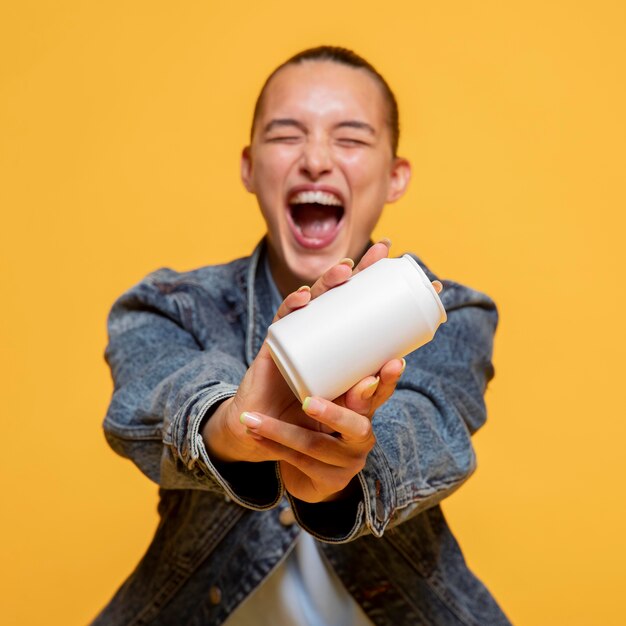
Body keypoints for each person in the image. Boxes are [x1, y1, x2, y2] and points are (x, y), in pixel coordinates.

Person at [94, 46, 511, 625]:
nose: (315, 160)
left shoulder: (449, 314)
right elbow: (151, 399)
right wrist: (234, 429)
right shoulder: (167, 307)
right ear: (248, 166)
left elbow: (430, 428)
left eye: (351, 139)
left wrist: (348, 475)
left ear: (395, 177)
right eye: (287, 135)